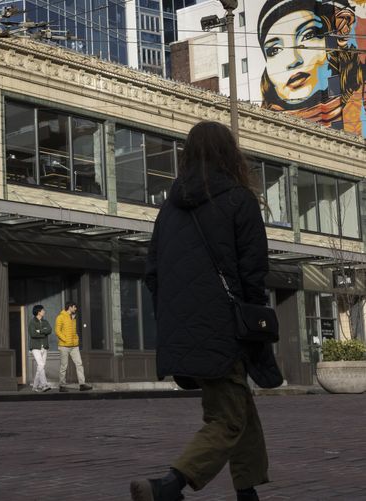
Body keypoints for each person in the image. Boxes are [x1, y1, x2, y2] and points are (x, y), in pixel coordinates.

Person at [131, 121, 283, 501]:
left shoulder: (168, 209)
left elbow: (152, 274)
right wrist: (254, 324)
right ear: (229, 153)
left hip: (181, 328)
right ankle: (169, 484)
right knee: (227, 418)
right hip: (224, 328)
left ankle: (247, 492)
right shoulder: (238, 200)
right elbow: (253, 273)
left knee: (238, 407)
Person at [258, 0, 366, 136]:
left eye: (307, 36)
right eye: (274, 50)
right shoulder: (265, 130)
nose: (293, 60)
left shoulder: (360, 105)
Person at [54, 302, 92, 392]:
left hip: (74, 346)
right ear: (70, 307)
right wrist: (65, 339)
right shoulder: (60, 317)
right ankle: (62, 386)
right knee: (64, 366)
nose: (75, 309)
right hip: (64, 346)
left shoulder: (73, 318)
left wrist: (76, 339)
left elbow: (73, 331)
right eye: (74, 307)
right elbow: (57, 331)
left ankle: (82, 384)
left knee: (79, 364)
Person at [28, 304, 52, 392]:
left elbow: (49, 330)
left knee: (40, 367)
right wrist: (43, 332)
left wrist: (40, 331)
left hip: (44, 347)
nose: (44, 311)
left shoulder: (45, 322)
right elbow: (33, 334)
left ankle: (34, 387)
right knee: (41, 365)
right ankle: (44, 385)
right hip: (35, 347)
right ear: (38, 312)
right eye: (43, 310)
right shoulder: (32, 322)